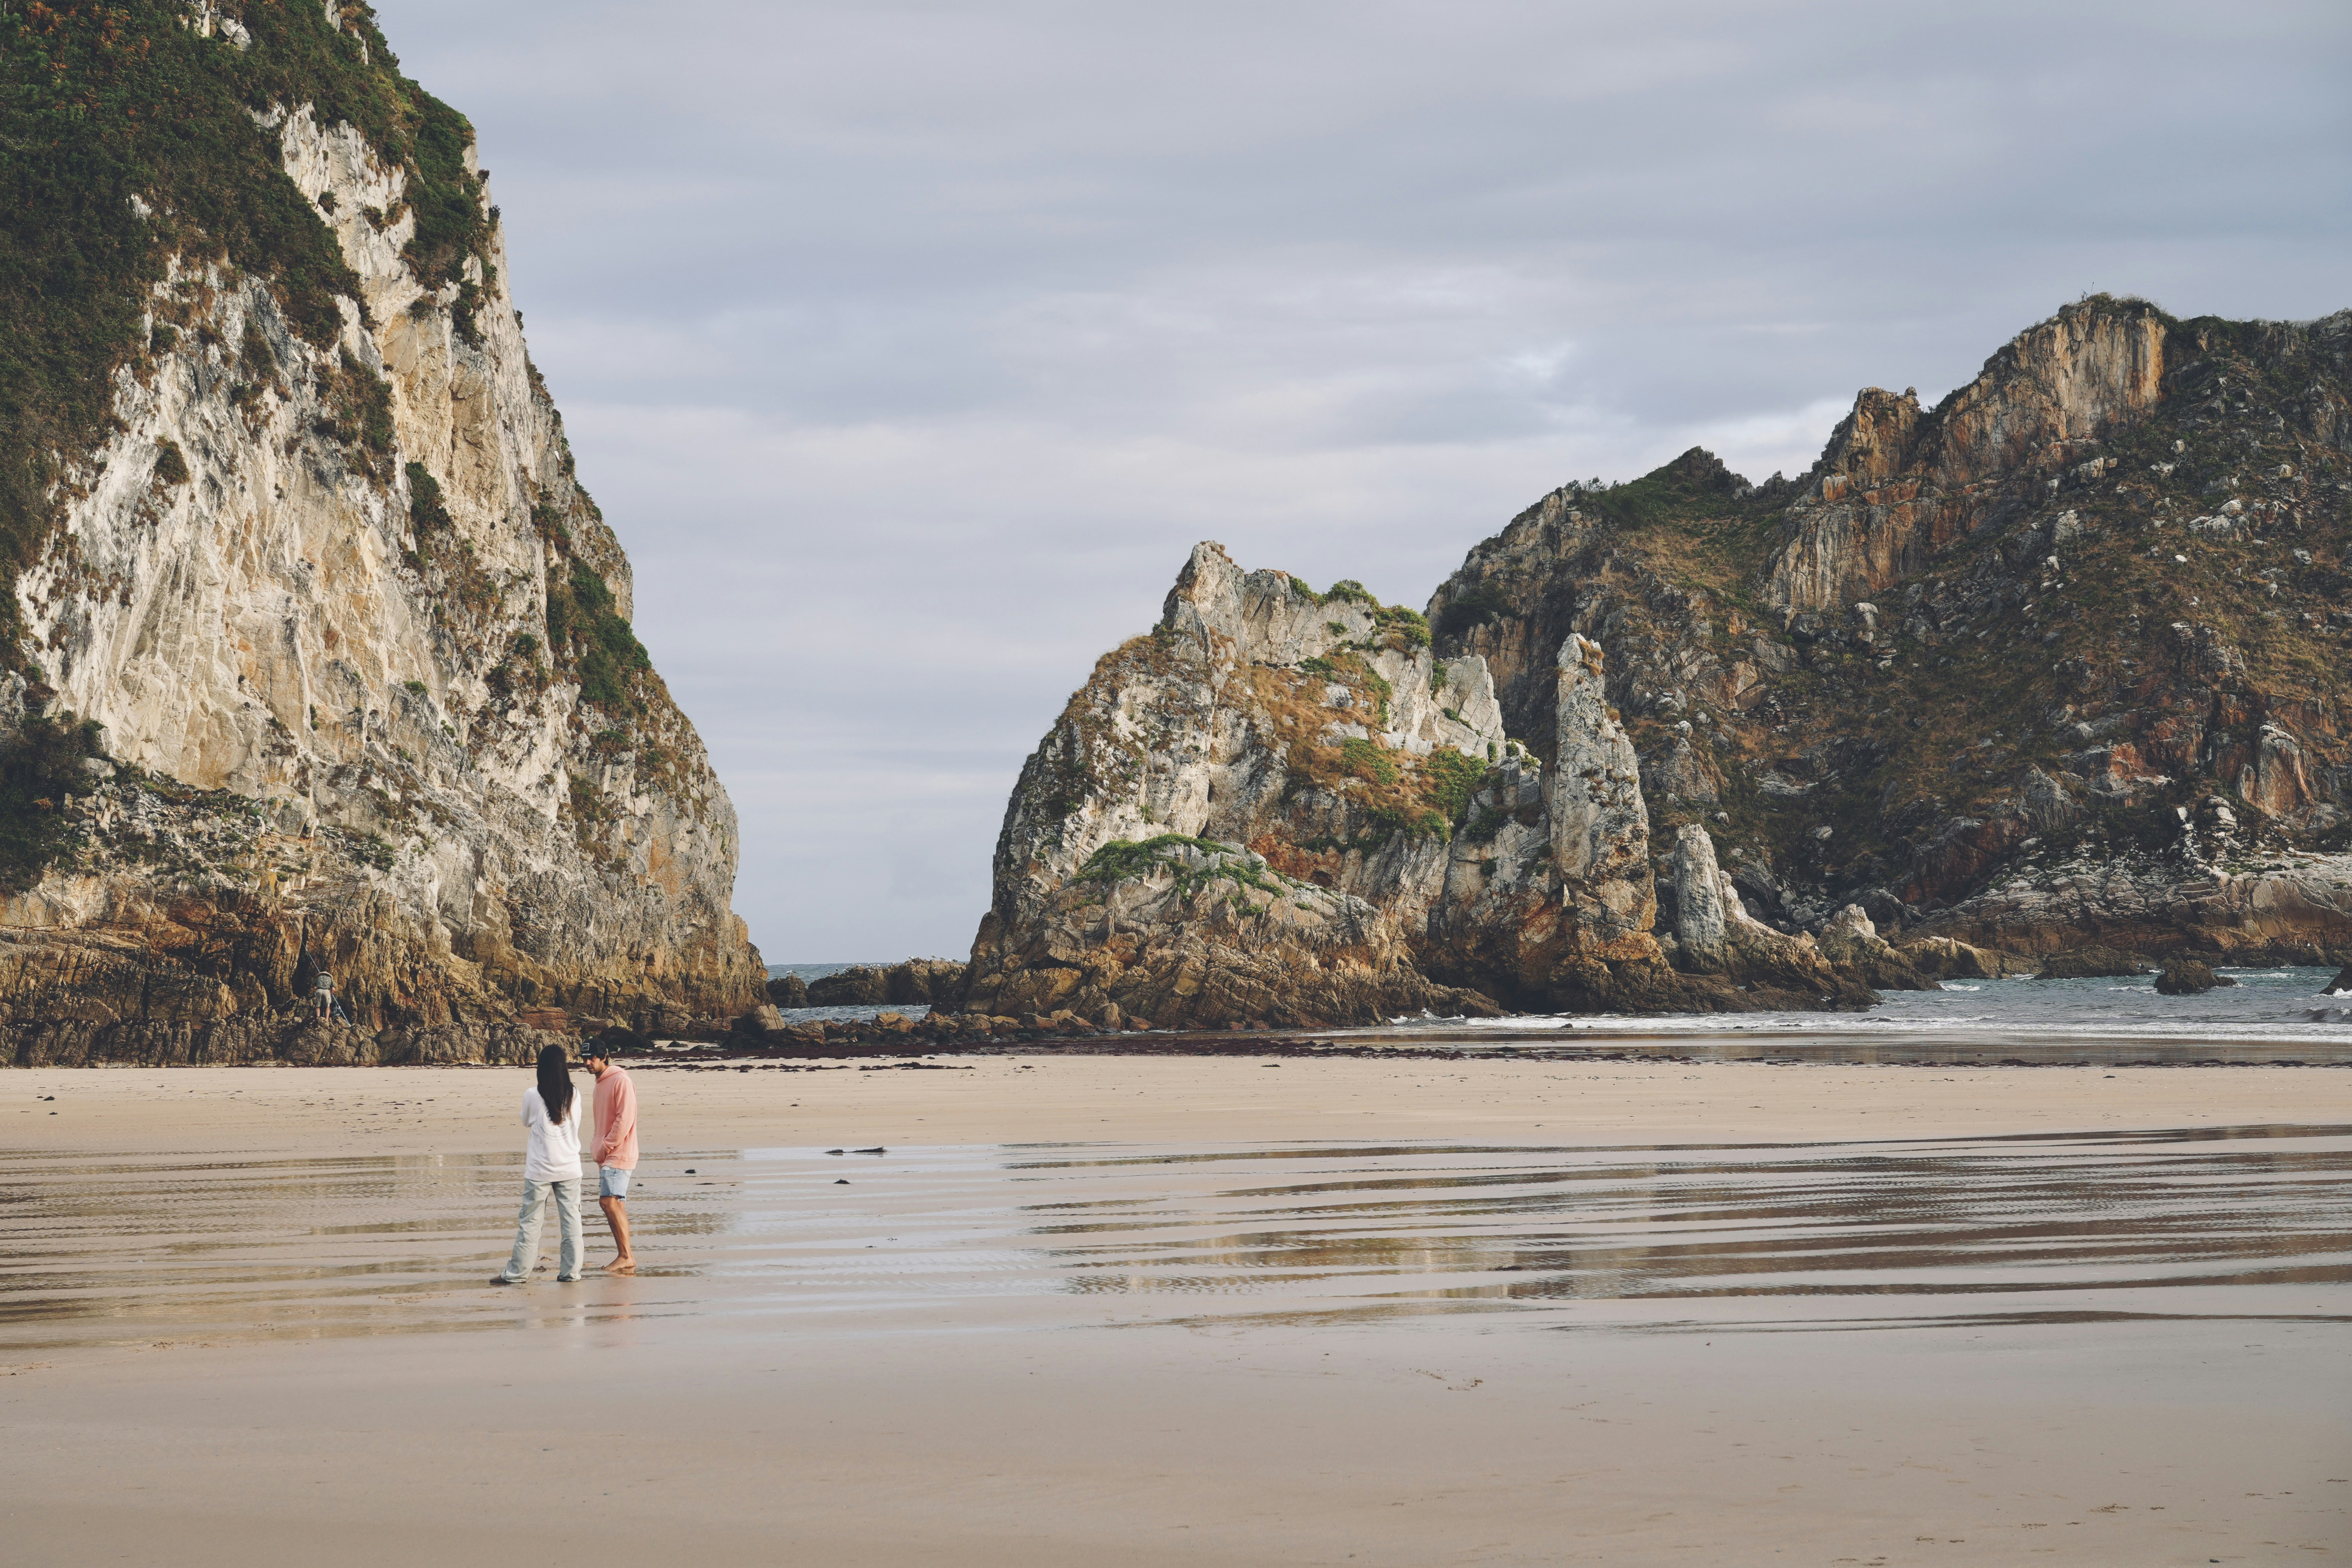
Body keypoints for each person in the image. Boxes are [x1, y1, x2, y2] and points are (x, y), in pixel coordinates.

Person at [496, 1044, 583, 1284]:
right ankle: (571, 1273)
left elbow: (526, 1121)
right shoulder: (575, 1094)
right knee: (572, 1224)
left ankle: (517, 1274)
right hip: (569, 1167)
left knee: (530, 1224)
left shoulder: (533, 1094)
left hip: (539, 1171)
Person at [585, 1039, 640, 1275]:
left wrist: (606, 1145)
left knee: (608, 1202)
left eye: (592, 1058)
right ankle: (626, 1256)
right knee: (617, 1204)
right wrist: (598, 1146)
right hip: (608, 1154)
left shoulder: (621, 1081)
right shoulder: (600, 1084)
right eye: (584, 1059)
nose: (588, 1063)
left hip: (618, 1153)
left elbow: (625, 1119)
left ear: (604, 1057)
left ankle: (626, 1256)